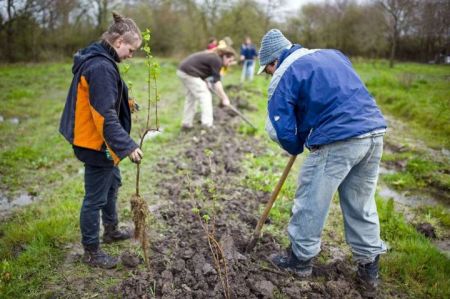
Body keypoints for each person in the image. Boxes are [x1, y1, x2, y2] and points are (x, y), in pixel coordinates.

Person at [258, 29, 387, 294]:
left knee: (311, 200)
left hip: (338, 139)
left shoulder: (283, 74)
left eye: (268, 70)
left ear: (273, 62)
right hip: (373, 132)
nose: (270, 74)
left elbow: (281, 126)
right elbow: (330, 97)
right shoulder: (332, 55)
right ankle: (369, 267)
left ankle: (299, 260)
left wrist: (296, 145)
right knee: (361, 203)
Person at [59, 12, 143, 269]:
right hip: (95, 143)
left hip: (99, 139)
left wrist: (126, 104)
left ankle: (111, 230)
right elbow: (103, 114)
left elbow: (104, 98)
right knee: (94, 197)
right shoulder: (101, 67)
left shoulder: (101, 59)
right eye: (131, 49)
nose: (131, 55)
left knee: (112, 183)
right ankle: (92, 251)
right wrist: (127, 145)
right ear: (118, 42)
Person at [177, 43, 236, 130]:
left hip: (184, 71)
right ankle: (207, 125)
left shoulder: (214, 57)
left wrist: (205, 81)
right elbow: (217, 83)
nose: (230, 64)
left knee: (191, 98)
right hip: (188, 72)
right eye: (229, 61)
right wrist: (224, 98)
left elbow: (201, 68)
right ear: (224, 57)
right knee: (205, 96)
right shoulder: (217, 61)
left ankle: (186, 124)